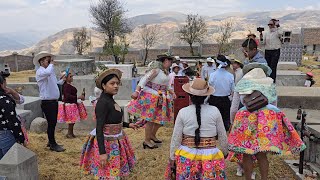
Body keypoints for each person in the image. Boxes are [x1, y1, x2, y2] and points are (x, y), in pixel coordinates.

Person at [228, 68, 306, 180]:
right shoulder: (269, 87)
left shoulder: (244, 86)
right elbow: (274, 102)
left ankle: (248, 178)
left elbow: (236, 105)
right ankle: (264, 178)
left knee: (246, 153)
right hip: (267, 117)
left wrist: (232, 122)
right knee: (262, 154)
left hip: (246, 116)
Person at [80, 68, 138, 179]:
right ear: (104, 85)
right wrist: (102, 152)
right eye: (112, 83)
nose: (116, 86)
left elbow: (112, 119)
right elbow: (99, 128)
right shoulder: (102, 103)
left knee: (114, 172)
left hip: (116, 139)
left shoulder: (110, 99)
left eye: (117, 83)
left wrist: (127, 124)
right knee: (108, 173)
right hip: (108, 143)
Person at [165, 78, 228, 179]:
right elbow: (222, 135)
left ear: (189, 96)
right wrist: (225, 152)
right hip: (211, 156)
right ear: (206, 96)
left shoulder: (183, 112)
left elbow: (176, 137)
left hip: (187, 156)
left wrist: (172, 156)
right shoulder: (215, 111)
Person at [127, 53, 175, 149]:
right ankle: (147, 140)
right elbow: (144, 79)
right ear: (165, 61)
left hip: (161, 97)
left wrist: (171, 92)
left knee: (159, 119)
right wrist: (136, 91)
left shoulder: (165, 72)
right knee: (151, 120)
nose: (171, 63)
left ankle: (152, 135)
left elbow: (167, 85)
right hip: (152, 97)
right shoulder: (156, 70)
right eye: (170, 61)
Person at [34, 51, 65, 152]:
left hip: (53, 102)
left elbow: (55, 83)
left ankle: (51, 141)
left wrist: (62, 80)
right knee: (52, 123)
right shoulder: (40, 72)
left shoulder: (48, 72)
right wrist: (51, 64)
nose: (50, 62)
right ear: (42, 62)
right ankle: (52, 143)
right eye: (48, 60)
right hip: (48, 102)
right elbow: (47, 72)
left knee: (53, 123)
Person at [57, 67, 87, 138]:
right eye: (70, 76)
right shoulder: (66, 86)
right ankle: (69, 133)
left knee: (72, 121)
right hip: (69, 105)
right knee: (71, 121)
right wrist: (78, 97)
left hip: (72, 104)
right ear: (66, 78)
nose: (72, 77)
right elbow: (67, 96)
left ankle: (70, 132)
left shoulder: (68, 85)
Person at [0, 75, 25, 159]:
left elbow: (21, 100)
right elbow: (12, 121)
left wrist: (12, 92)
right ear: (2, 84)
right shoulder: (4, 100)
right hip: (5, 133)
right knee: (9, 160)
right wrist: (20, 137)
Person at [208, 55, 234, 131]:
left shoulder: (212, 75)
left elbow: (210, 87)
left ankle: (214, 132)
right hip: (226, 99)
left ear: (216, 64)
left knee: (214, 118)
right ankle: (225, 133)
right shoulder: (230, 76)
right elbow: (233, 90)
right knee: (225, 118)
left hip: (214, 99)